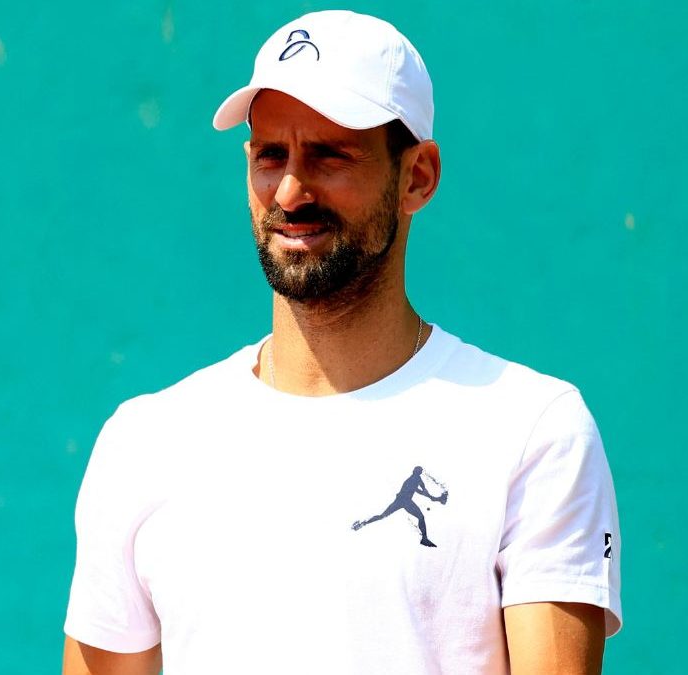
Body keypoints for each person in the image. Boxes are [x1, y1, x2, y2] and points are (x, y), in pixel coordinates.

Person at [62, 10, 621, 675]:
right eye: (272, 154)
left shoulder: (533, 429)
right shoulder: (144, 443)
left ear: (417, 177)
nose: (292, 191)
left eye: (330, 155)